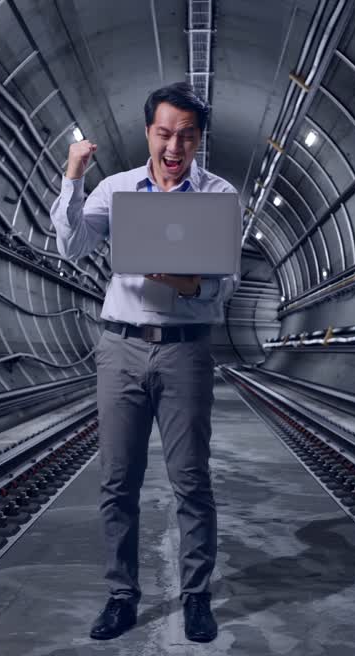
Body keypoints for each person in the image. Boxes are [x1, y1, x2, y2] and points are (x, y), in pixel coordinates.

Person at [50, 82, 238, 642]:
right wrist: (73, 176)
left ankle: (197, 596)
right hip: (122, 346)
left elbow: (223, 290)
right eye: (165, 133)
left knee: (191, 481)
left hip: (186, 349)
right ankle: (121, 595)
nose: (174, 146)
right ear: (149, 133)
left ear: (199, 139)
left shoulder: (217, 194)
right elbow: (73, 247)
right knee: (117, 480)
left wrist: (184, 283)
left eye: (186, 135)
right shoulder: (116, 188)